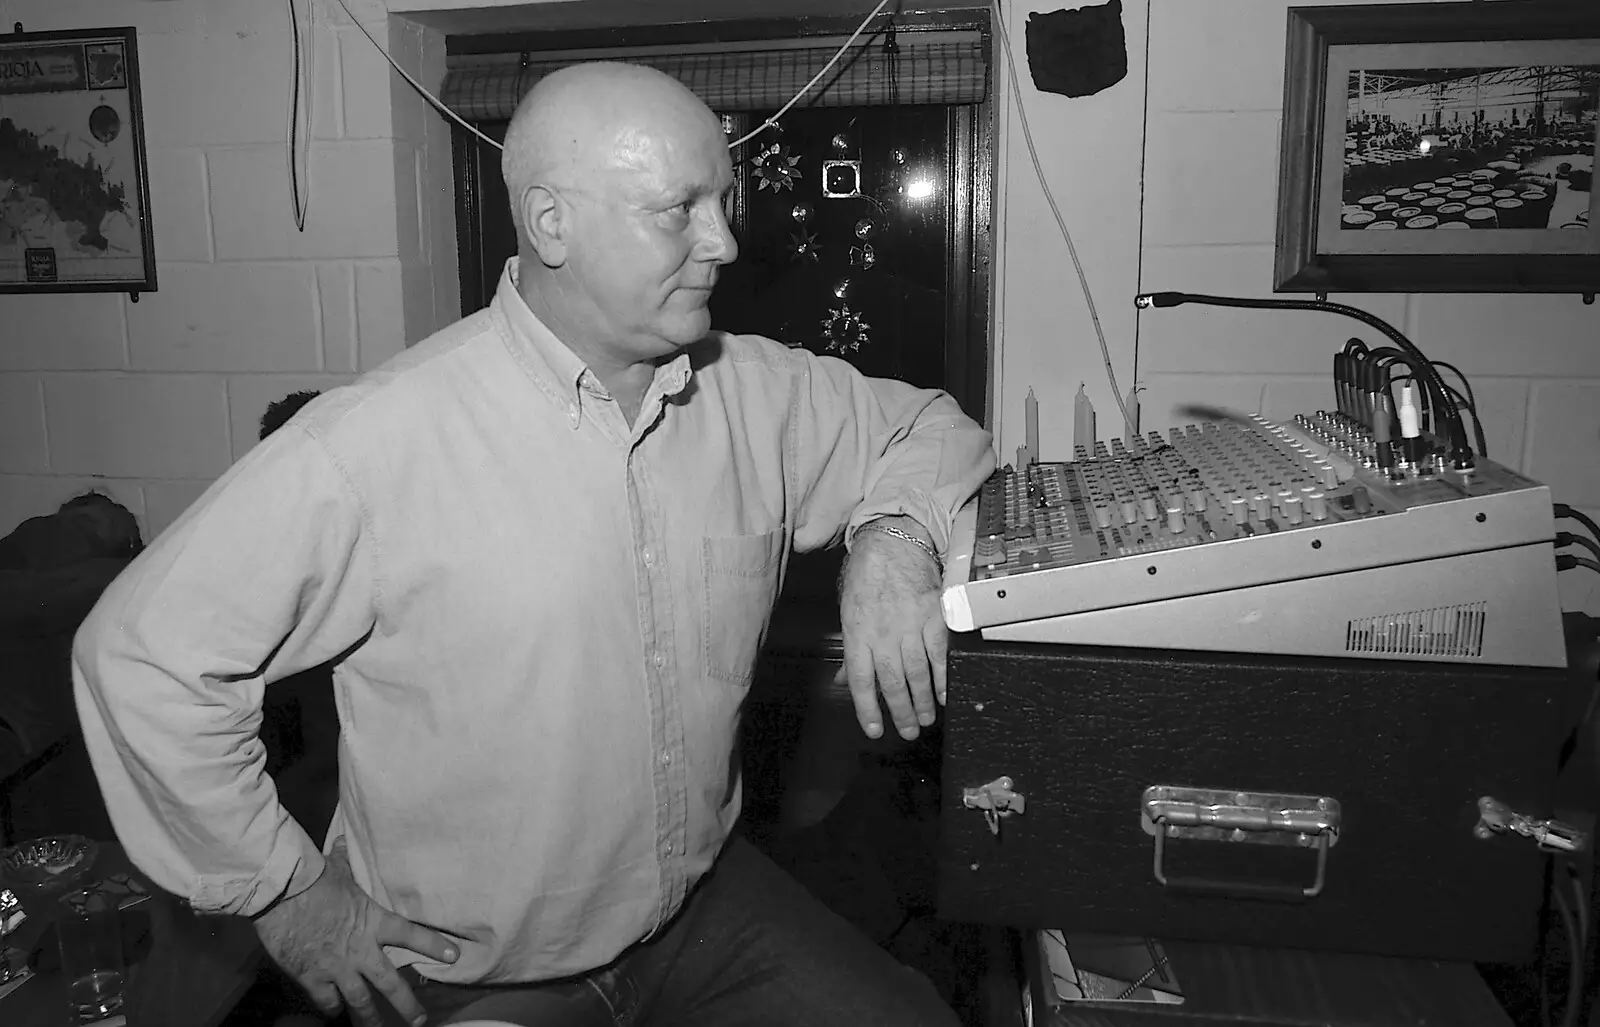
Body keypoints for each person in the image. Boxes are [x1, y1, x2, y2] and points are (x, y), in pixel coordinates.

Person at [72, 61, 995, 1027]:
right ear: (553, 223)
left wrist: (891, 540)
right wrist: (284, 893)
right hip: (471, 966)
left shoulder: (750, 393)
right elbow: (139, 655)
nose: (722, 241)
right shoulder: (373, 444)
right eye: (679, 208)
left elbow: (927, 428)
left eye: (725, 201)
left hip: (696, 910)